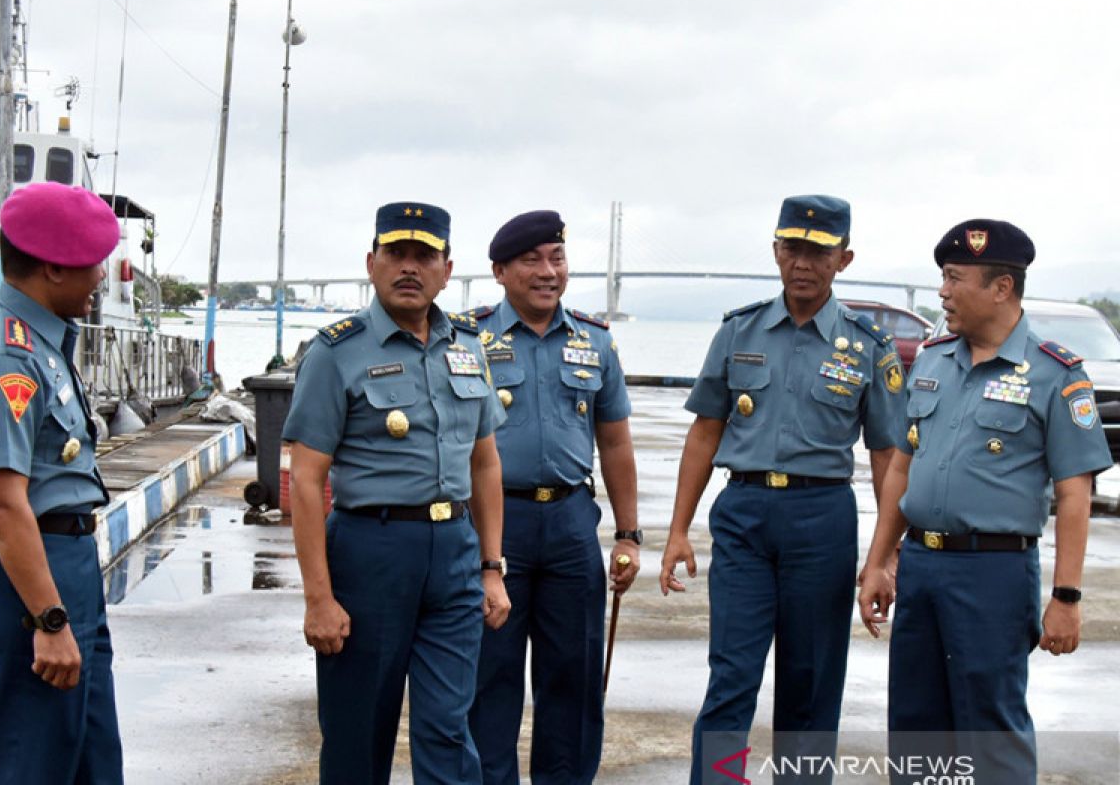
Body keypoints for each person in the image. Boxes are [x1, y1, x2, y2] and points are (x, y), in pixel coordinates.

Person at [659, 195, 905, 784]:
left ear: (843, 259)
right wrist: (676, 531)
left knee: (811, 686)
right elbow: (704, 434)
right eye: (792, 247)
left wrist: (884, 557)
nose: (803, 262)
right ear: (775, 250)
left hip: (822, 520)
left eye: (818, 251)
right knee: (731, 679)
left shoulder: (869, 347)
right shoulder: (738, 330)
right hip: (743, 514)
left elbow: (887, 457)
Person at [857, 219, 1112, 783]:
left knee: (989, 730)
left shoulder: (1055, 373)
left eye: (954, 279)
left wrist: (1066, 596)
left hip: (993, 572)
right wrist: (878, 561)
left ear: (1001, 288)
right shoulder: (931, 360)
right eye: (942, 278)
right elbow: (903, 465)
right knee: (917, 728)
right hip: (921, 568)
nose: (943, 292)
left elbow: (1075, 493)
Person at [283, 202, 511, 785]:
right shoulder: (336, 352)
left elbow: (484, 463)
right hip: (369, 554)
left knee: (448, 731)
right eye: (397, 254)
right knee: (359, 734)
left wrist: (491, 567)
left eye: (424, 257)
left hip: (454, 555)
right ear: (371, 262)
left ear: (446, 268)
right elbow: (306, 481)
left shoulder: (467, 345)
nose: (410, 269)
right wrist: (318, 599)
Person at [0, 182, 123, 784]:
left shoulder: (44, 345)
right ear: (52, 267)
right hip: (26, 582)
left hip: (63, 568)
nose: (101, 276)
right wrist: (49, 621)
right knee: (27, 764)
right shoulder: (6, 359)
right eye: (91, 262)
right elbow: (2, 504)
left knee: (90, 764)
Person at [467, 210, 640, 785]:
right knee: (490, 675)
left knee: (574, 673)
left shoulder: (594, 340)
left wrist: (628, 534)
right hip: (495, 524)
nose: (548, 272)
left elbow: (614, 442)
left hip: (569, 522)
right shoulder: (468, 340)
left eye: (557, 259)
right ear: (500, 271)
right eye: (532, 260)